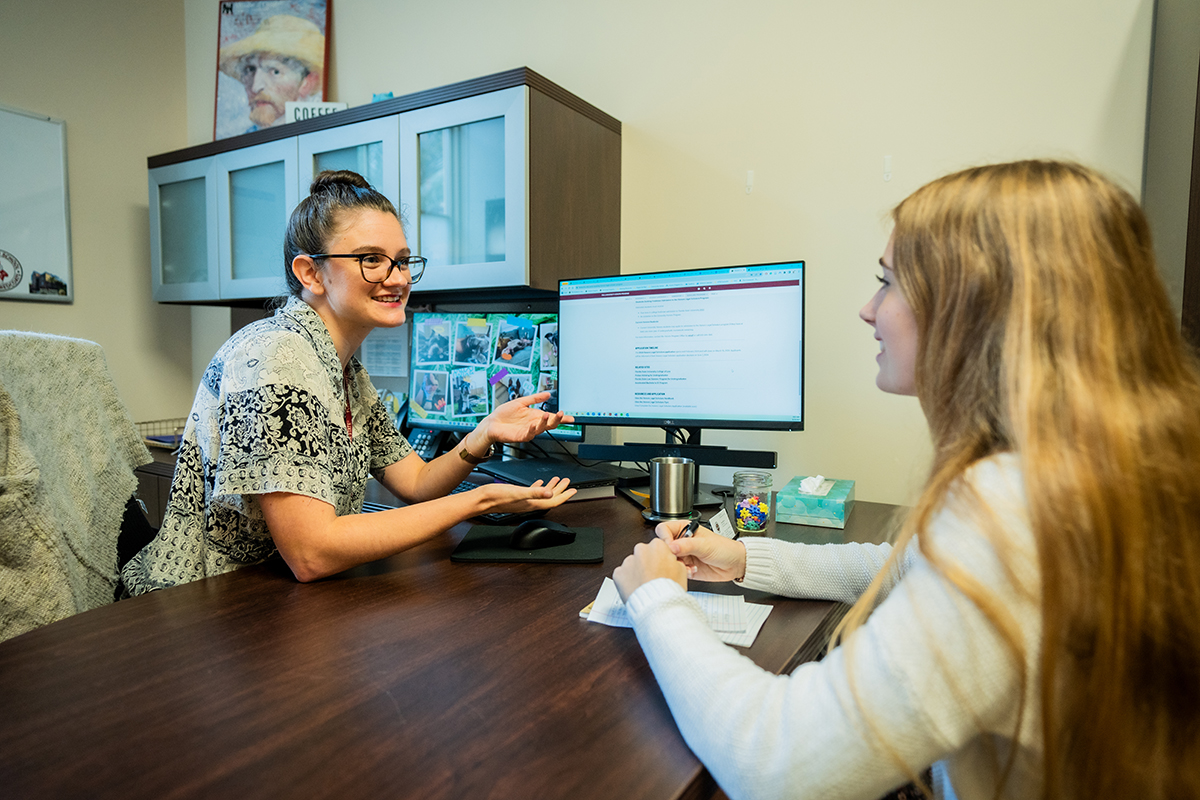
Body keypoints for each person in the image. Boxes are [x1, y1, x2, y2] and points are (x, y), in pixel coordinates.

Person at [613, 160, 1200, 799]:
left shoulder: (1015, 507)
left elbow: (780, 766)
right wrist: (745, 558)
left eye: (887, 282)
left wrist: (656, 600)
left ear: (973, 303)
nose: (868, 310)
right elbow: (910, 567)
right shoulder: (1090, 466)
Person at [122, 171, 576, 595]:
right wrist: (476, 502)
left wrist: (485, 431)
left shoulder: (345, 370)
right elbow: (311, 553)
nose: (397, 279)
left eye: (401, 261)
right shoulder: (275, 357)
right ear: (310, 273)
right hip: (199, 602)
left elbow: (416, 481)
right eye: (371, 261)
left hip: (268, 597)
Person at [218, 14, 324, 134]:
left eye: (275, 72)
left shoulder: (316, 137)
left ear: (307, 83)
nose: (255, 87)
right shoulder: (243, 143)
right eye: (250, 69)